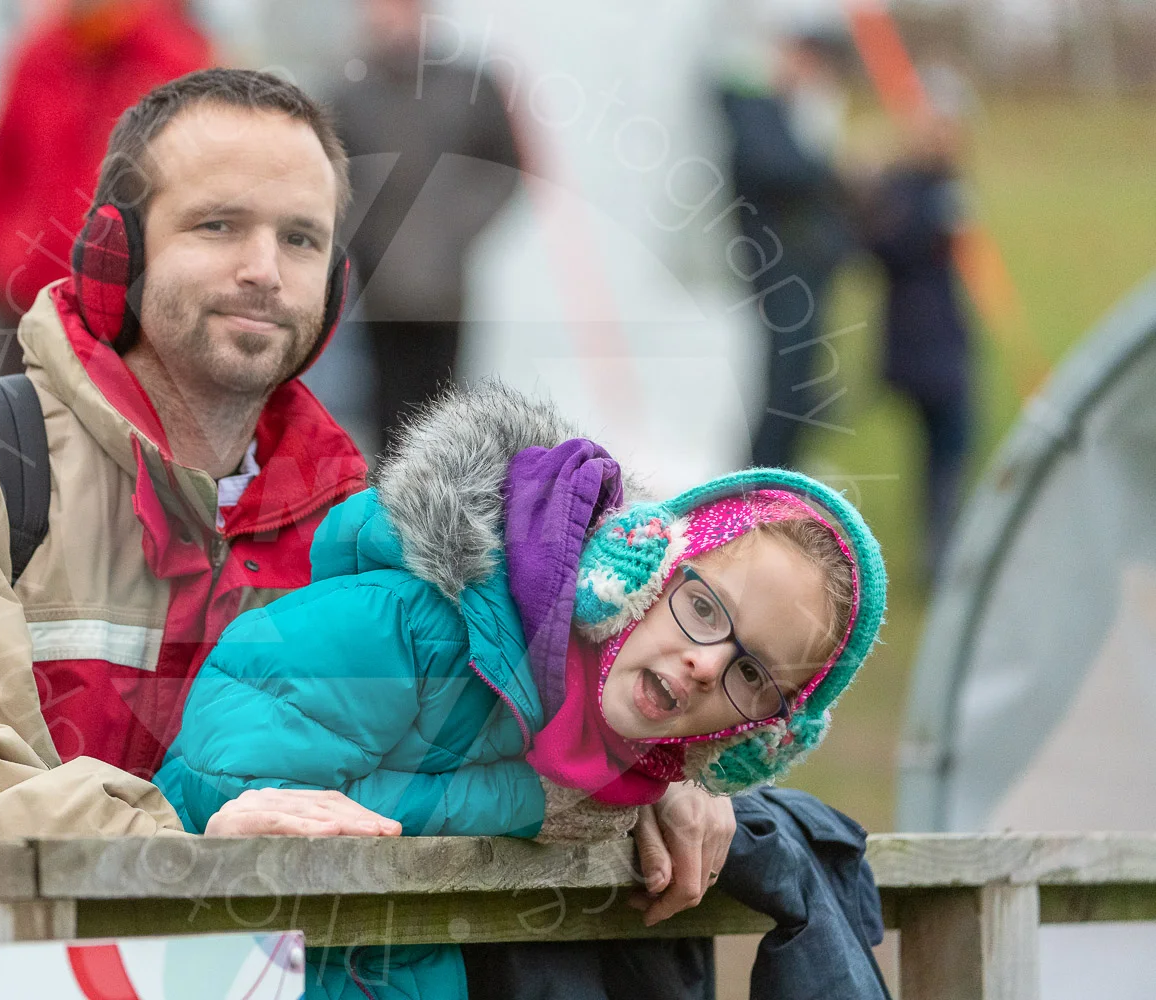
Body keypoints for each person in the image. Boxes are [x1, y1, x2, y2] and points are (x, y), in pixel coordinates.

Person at [0, 68, 738, 902]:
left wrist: (635, 789)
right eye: (217, 225)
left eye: (301, 239)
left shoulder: (355, 525)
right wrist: (189, 837)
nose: (266, 268)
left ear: (336, 287)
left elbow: (469, 752)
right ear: (115, 253)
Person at [156, 382, 887, 999]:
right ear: (638, 573)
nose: (706, 664)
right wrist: (529, 805)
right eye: (702, 608)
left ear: (753, 737)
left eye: (752, 674)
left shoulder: (622, 773)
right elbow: (227, 782)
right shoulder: (423, 628)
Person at [330, 0, 521, 451]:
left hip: (443, 283)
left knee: (445, 406)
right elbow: (331, 174)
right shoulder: (349, 93)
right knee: (385, 408)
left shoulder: (470, 86)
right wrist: (364, 236)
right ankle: (389, 509)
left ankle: (437, 504)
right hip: (377, 283)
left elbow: (503, 169)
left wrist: (455, 228)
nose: (386, 18)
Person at [0, 0, 209, 326]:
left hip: (132, 307)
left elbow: (201, 185)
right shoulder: (37, 54)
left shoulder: (174, 56)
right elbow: (0, 164)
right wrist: (0, 258)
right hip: (33, 300)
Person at [718, 30, 855, 470]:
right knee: (780, 385)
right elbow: (783, 167)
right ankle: (759, 479)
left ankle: (782, 477)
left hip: (801, 269)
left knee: (799, 384)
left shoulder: (790, 109)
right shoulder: (751, 104)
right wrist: (825, 165)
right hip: (773, 269)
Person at [864, 101, 973, 583]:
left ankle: (941, 550)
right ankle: (940, 556)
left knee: (946, 446)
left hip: (941, 332)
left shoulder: (941, 184)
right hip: (921, 340)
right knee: (949, 440)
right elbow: (885, 249)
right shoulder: (908, 190)